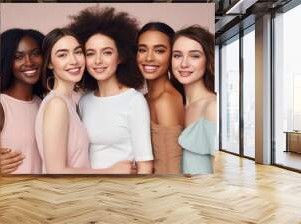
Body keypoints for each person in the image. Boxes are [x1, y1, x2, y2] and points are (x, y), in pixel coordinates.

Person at [34, 28, 134, 174]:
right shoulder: (57, 105)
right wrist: (110, 171)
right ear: (49, 63)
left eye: (78, 52)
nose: (73, 61)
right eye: (62, 55)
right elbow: (55, 171)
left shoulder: (72, 101)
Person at [68, 6, 154, 174]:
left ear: (120, 56)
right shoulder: (84, 101)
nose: (98, 60)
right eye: (90, 53)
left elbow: (145, 163)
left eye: (107, 52)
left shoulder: (134, 100)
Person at [136, 22, 185, 174]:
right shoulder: (144, 98)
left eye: (159, 51)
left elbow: (171, 168)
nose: (149, 57)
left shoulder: (165, 101)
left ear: (172, 55)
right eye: (142, 50)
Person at [171, 25, 217, 174]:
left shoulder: (212, 107)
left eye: (194, 56)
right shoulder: (176, 104)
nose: (184, 64)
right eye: (177, 55)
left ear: (207, 60)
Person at [0, 28, 45, 174]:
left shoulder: (42, 103)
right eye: (18, 57)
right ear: (7, 61)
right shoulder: (1, 105)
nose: (29, 62)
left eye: (36, 54)